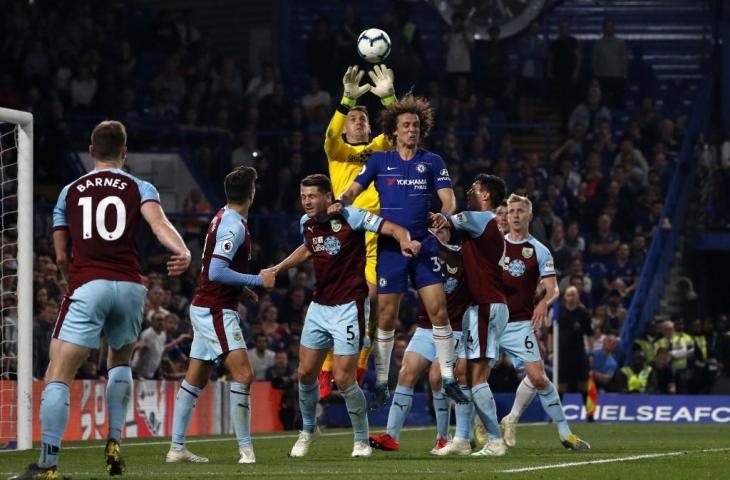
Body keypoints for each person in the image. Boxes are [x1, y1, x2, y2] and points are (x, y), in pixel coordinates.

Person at [12, 120, 191, 480]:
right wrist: (183, 251)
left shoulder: (70, 190)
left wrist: (68, 282)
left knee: (58, 373)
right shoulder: (140, 186)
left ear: (92, 151)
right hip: (129, 287)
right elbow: (158, 225)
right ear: (124, 153)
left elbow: (62, 256)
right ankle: (113, 441)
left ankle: (47, 465)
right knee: (120, 361)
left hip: (88, 285)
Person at [267, 174, 420, 458]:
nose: (307, 202)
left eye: (312, 196)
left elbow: (392, 228)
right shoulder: (307, 224)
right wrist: (277, 269)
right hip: (319, 306)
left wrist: (404, 241)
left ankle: (361, 440)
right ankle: (309, 430)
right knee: (304, 373)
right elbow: (308, 249)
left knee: (344, 378)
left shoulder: (352, 216)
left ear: (328, 196)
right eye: (303, 197)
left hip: (349, 307)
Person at [330, 94, 466, 406]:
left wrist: (443, 216)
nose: (412, 130)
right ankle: (380, 381)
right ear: (394, 131)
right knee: (386, 315)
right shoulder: (379, 161)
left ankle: (447, 376)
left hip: (425, 244)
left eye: (416, 125)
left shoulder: (432, 162)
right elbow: (354, 188)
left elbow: (448, 199)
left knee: (438, 310)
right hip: (390, 247)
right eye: (406, 125)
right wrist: (342, 201)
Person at [166, 166, 275, 466]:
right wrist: (256, 280)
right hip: (215, 310)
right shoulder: (234, 225)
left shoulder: (222, 215)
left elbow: (217, 268)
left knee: (196, 379)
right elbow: (216, 270)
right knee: (244, 375)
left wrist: (241, 288)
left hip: (206, 304)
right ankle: (246, 452)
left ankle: (176, 448)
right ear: (251, 194)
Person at [318, 64, 397, 399]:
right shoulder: (338, 154)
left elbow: (401, 130)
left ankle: (360, 368)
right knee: (339, 305)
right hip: (344, 232)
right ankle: (325, 374)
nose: (360, 122)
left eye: (363, 119)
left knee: (374, 303)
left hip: (376, 232)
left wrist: (389, 97)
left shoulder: (380, 146)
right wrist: (345, 102)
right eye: (354, 119)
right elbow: (329, 137)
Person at [496, 194, 590, 451]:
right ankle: (468, 433)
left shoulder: (539, 250)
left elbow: (553, 290)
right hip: (491, 322)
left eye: (520, 211)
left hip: (519, 324)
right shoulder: (495, 244)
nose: (515, 215)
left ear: (530, 216)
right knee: (472, 377)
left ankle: (564, 433)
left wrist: (542, 302)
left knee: (538, 378)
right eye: (511, 210)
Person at [368, 228, 471, 455]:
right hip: (426, 328)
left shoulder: (462, 257)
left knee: (437, 376)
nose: (436, 234)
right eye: (432, 231)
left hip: (454, 330)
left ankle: (443, 438)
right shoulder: (419, 256)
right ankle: (391, 436)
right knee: (406, 372)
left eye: (442, 230)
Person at [441, 174, 510, 456]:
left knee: (477, 376)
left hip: (486, 304)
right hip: (477, 306)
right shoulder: (478, 232)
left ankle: (495, 440)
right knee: (462, 374)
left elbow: (443, 219)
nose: (469, 191)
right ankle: (462, 438)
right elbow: (456, 256)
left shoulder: (482, 219)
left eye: (474, 189)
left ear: (485, 196)